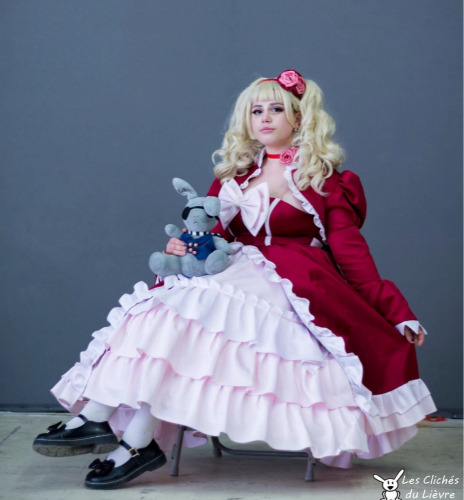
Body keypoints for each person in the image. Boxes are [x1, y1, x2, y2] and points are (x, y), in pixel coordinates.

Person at [33, 69, 437, 489]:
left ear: (299, 118)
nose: (265, 118)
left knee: (194, 307)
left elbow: (352, 256)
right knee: (163, 312)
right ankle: (110, 425)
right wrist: (184, 247)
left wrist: (396, 311)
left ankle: (119, 433)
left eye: (276, 109)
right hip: (231, 270)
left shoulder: (327, 180)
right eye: (256, 111)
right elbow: (211, 237)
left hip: (294, 281)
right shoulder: (233, 175)